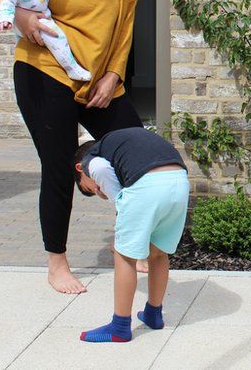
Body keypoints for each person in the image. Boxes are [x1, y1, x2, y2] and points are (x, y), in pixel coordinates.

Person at [0, 0, 145, 294]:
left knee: (139, 154)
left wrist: (113, 73)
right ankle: (57, 262)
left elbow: (125, 21)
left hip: (99, 78)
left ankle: (131, 242)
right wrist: (22, 17)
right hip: (44, 73)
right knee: (56, 165)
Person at [73, 127, 189, 343]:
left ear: (80, 168)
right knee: (158, 253)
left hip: (148, 185)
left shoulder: (92, 157)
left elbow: (99, 168)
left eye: (88, 188)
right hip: (179, 182)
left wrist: (117, 201)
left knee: (124, 255)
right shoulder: (120, 144)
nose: (96, 190)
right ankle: (153, 314)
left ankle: (119, 327)